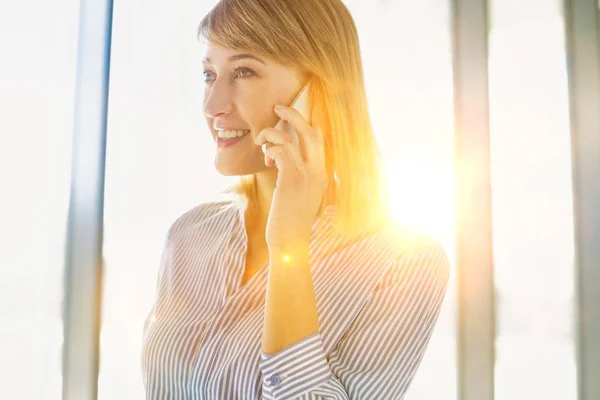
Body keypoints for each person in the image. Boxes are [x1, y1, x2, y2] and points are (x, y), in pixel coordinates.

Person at [142, 0, 450, 399]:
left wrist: (289, 244)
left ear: (317, 94)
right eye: (209, 74)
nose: (212, 106)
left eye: (244, 72)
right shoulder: (189, 237)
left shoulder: (405, 263)